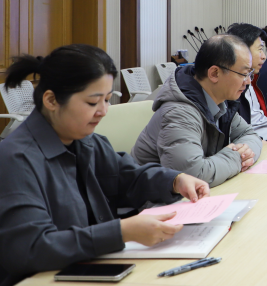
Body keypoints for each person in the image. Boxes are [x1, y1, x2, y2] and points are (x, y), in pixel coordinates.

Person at [0, 45, 210, 286]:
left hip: (96, 268)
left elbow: (130, 178)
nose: (103, 111)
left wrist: (175, 180)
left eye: (108, 100)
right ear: (51, 100)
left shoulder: (88, 141)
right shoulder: (16, 160)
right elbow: (31, 248)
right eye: (92, 102)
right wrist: (121, 232)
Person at [132, 35, 262, 187]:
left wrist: (244, 153)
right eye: (244, 74)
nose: (248, 81)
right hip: (152, 198)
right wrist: (236, 157)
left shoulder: (221, 101)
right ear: (214, 73)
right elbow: (193, 176)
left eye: (249, 74)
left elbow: (250, 135)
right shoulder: (179, 112)